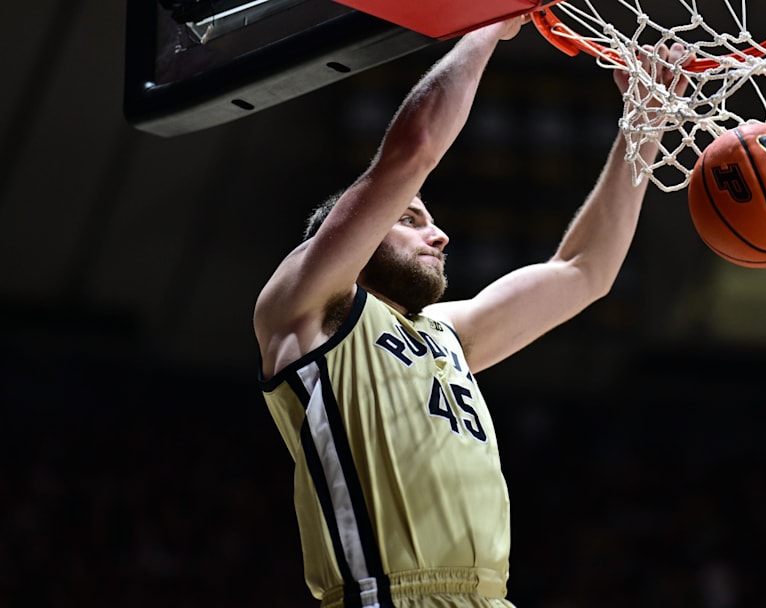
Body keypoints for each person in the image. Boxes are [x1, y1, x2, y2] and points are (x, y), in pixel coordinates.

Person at [254, 14, 689, 608]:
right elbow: (413, 151)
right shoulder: (307, 309)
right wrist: (492, 21)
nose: (440, 236)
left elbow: (585, 271)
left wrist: (644, 123)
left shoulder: (447, 333)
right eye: (410, 219)